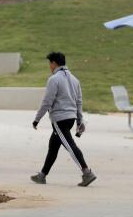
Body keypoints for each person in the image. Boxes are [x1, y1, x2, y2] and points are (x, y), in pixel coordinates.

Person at [31, 51, 96, 186]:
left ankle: (87, 173)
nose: (49, 66)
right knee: (53, 147)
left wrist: (37, 119)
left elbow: (47, 101)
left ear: (54, 63)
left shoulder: (54, 79)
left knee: (70, 146)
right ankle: (42, 175)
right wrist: (79, 120)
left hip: (59, 119)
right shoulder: (74, 79)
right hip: (70, 118)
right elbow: (79, 101)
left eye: (50, 63)